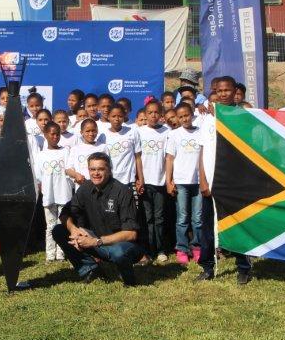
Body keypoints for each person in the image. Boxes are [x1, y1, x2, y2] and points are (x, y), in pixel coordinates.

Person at [51, 153, 144, 286]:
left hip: (123, 245)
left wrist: (96, 242)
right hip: (95, 240)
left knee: (119, 252)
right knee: (59, 230)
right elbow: (65, 213)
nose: (96, 173)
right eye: (92, 169)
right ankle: (90, 270)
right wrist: (74, 230)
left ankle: (128, 279)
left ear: (109, 170)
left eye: (100, 169)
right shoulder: (85, 188)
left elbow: (131, 234)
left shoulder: (123, 192)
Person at [207, 76, 254, 284]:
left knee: (239, 222)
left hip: (236, 178)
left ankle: (243, 266)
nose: (223, 94)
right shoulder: (207, 116)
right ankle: (207, 266)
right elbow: (202, 149)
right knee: (207, 224)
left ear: (235, 91)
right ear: (215, 91)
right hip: (213, 177)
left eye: (228, 90)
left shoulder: (242, 115)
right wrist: (202, 179)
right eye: (220, 90)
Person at [165, 103, 205, 265]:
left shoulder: (201, 133)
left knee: (197, 218)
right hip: (181, 182)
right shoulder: (174, 135)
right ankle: (181, 248)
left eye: (186, 115)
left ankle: (196, 246)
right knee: (182, 217)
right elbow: (169, 158)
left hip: (198, 182)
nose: (184, 119)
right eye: (180, 117)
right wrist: (168, 181)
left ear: (192, 115)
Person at [138, 100, 170, 263]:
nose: (153, 115)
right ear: (145, 114)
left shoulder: (167, 132)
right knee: (146, 219)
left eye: (156, 112)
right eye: (150, 113)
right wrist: (139, 179)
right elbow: (136, 158)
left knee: (159, 218)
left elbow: (169, 158)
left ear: (161, 114)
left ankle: (161, 250)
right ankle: (148, 250)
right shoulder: (139, 132)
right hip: (145, 182)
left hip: (160, 182)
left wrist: (169, 180)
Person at [36, 122, 73, 263]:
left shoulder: (66, 151)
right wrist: (43, 191)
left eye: (57, 133)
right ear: (45, 135)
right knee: (50, 226)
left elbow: (70, 169)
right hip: (49, 196)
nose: (55, 136)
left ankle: (61, 253)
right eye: (52, 133)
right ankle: (50, 255)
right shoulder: (40, 155)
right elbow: (38, 177)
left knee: (63, 225)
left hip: (64, 194)